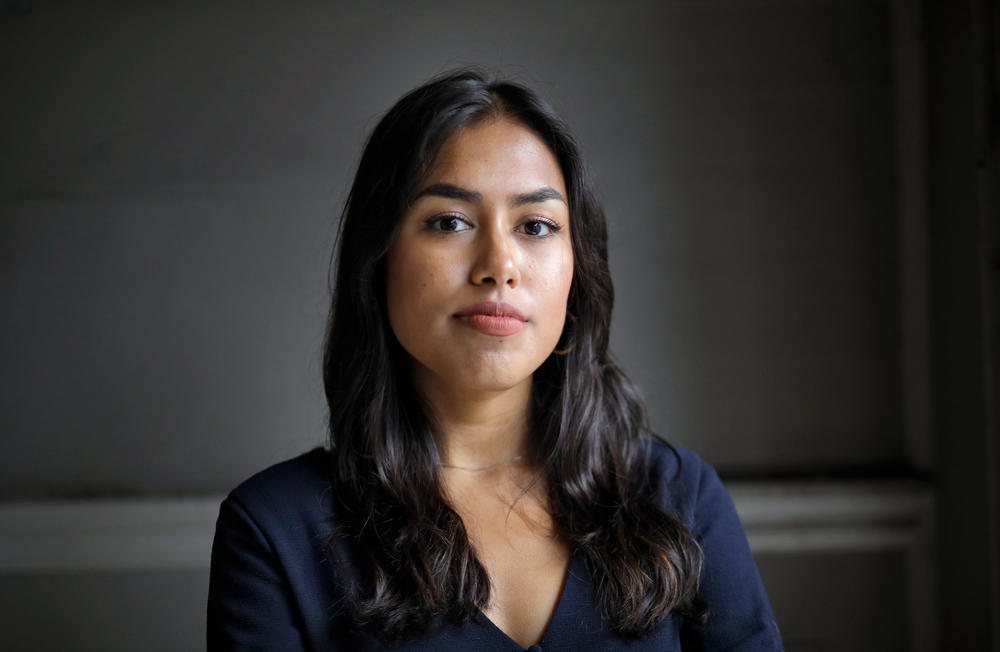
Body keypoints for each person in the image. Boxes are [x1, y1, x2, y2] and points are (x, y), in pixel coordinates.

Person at [207, 69, 783, 651]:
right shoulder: (275, 530)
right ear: (378, 259)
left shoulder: (678, 498)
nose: (498, 265)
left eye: (536, 226)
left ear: (576, 275)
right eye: (450, 222)